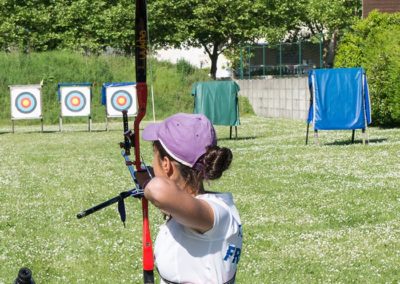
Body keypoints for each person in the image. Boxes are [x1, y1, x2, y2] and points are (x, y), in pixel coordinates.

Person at [141, 113, 242, 284]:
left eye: (154, 156)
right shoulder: (196, 208)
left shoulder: (216, 214)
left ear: (166, 164)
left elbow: (158, 190)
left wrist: (146, 185)